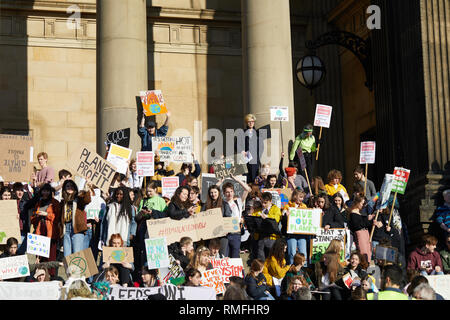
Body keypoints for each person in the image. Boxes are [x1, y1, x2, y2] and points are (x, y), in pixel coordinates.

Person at [220, 176, 251, 258]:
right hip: (225, 234)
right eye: (227, 192)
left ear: (233, 192)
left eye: (231, 191)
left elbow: (247, 189)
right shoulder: (222, 203)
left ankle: (239, 271)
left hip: (236, 234)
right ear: (224, 193)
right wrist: (221, 181)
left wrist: (236, 180)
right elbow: (212, 191)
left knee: (235, 257)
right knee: (224, 257)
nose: (229, 194)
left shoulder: (238, 202)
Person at [59, 179, 91, 257]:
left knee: (77, 255)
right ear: (64, 189)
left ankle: (78, 269)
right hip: (66, 229)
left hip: (77, 229)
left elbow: (87, 200)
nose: (70, 188)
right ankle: (68, 270)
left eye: (72, 186)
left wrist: (86, 188)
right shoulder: (63, 202)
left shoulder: (78, 199)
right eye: (67, 186)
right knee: (67, 256)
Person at [30, 183, 61, 265]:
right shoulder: (39, 203)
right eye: (44, 191)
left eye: (47, 191)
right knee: (40, 256)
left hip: (51, 232)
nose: (45, 193)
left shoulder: (55, 203)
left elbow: (57, 217)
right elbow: (33, 217)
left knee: (50, 256)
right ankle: (41, 274)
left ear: (50, 192)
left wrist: (47, 215)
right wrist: (36, 216)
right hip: (40, 231)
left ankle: (51, 275)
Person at [251, 192, 282, 262]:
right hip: (260, 237)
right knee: (260, 257)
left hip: (272, 237)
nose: (263, 204)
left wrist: (267, 217)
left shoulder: (275, 209)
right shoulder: (258, 209)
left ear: (270, 201)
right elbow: (253, 218)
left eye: (265, 203)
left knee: (271, 257)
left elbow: (277, 218)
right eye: (262, 202)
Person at [281, 189, 309, 264]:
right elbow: (283, 221)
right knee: (292, 252)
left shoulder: (304, 206)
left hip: (301, 234)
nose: (301, 199)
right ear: (294, 196)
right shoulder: (287, 206)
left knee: (303, 252)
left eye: (302, 197)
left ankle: (303, 269)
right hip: (291, 234)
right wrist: (285, 216)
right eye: (300, 197)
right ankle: (291, 267)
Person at [348, 194, 375, 263]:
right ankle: (364, 265)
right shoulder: (353, 213)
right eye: (362, 203)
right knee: (363, 252)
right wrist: (368, 220)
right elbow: (358, 226)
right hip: (360, 233)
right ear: (357, 203)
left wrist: (371, 220)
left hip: (365, 233)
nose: (363, 205)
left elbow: (364, 223)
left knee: (368, 251)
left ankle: (367, 264)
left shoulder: (359, 213)